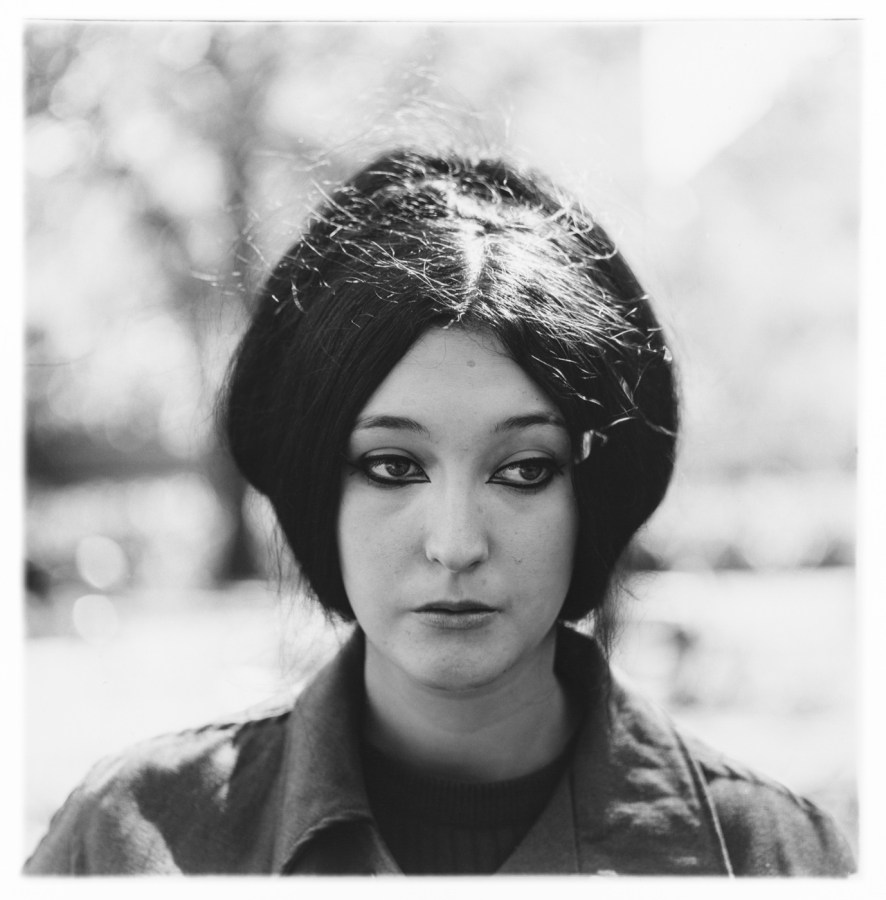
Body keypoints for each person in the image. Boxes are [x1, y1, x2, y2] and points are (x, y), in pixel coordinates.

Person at [25, 149, 854, 876]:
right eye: (391, 466)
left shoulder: (768, 859)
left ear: (591, 493)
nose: (455, 544)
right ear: (317, 483)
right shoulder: (130, 839)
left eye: (525, 470)